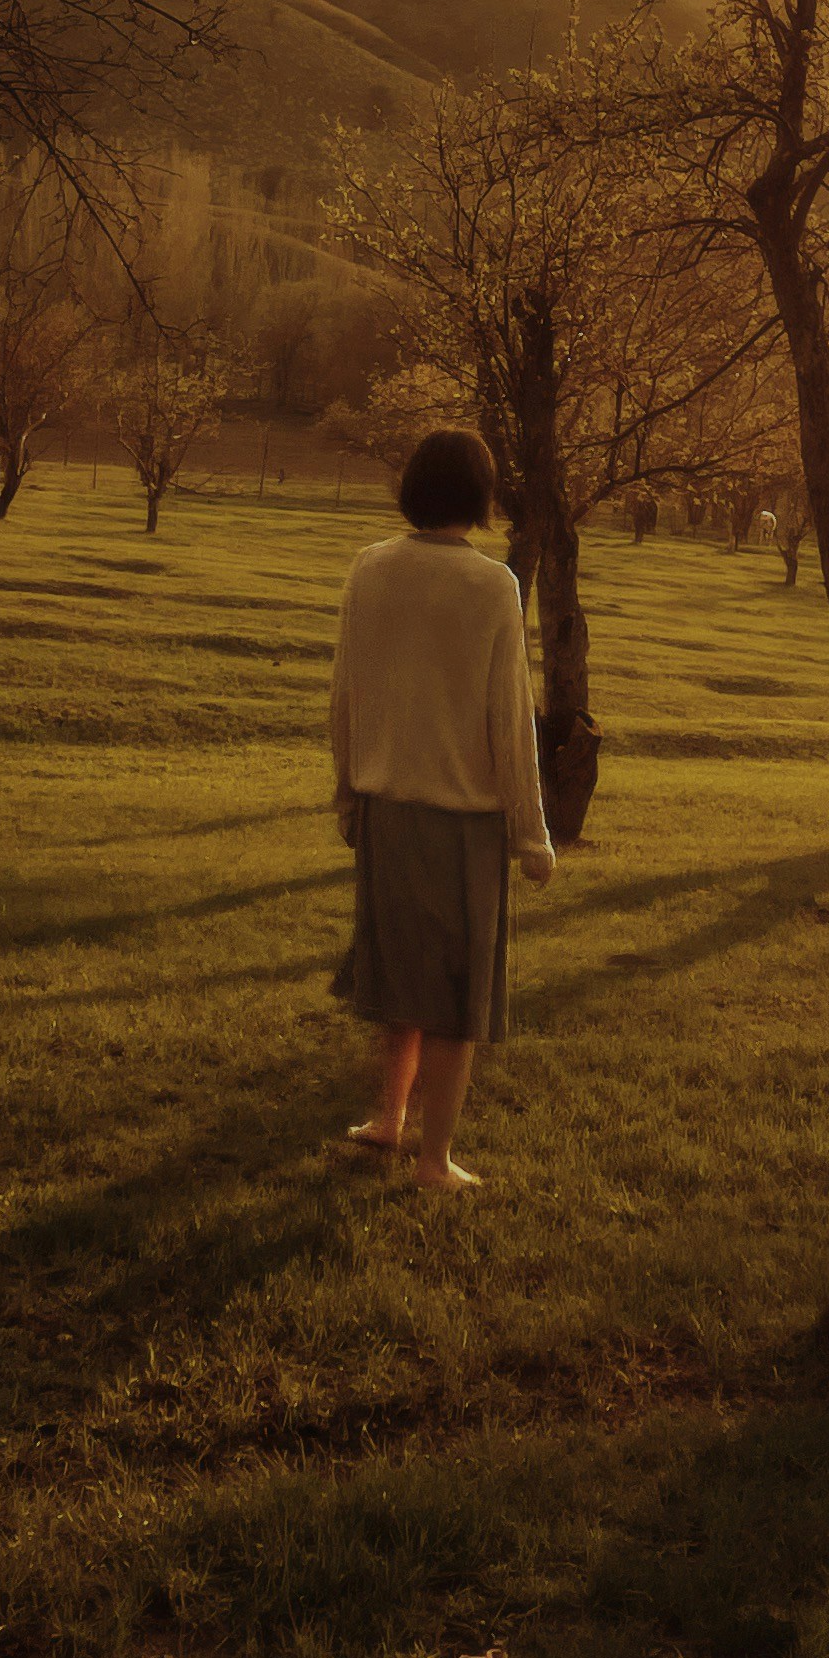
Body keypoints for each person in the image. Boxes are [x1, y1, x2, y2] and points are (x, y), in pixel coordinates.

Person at [327, 425, 553, 1189]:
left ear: (412, 489)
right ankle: (433, 1158)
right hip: (464, 822)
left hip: (387, 809)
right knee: (456, 1000)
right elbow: (510, 719)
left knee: (399, 981)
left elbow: (344, 695)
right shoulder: (493, 586)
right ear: (482, 496)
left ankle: (390, 1120)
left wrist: (346, 792)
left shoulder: (368, 569)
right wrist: (533, 835)